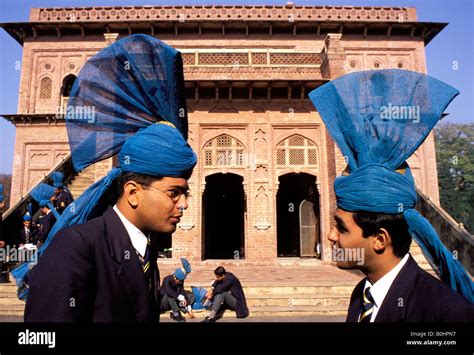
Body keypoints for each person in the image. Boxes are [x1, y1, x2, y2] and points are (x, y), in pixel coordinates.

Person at [20, 34, 196, 322]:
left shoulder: (143, 252)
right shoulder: (76, 249)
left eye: (185, 193)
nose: (183, 204)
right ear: (133, 192)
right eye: (174, 192)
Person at [309, 69, 474, 322]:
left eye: (341, 227)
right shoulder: (362, 296)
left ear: (379, 239)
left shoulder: (444, 314)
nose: (330, 235)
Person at [159, 258, 195, 322]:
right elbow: (169, 292)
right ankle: (177, 314)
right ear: (174, 277)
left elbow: (182, 292)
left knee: (190, 295)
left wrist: (188, 307)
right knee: (171, 296)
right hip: (163, 303)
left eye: (181, 281)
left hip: (173, 303)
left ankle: (178, 311)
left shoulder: (180, 282)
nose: (179, 282)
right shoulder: (167, 280)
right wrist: (180, 297)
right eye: (179, 281)